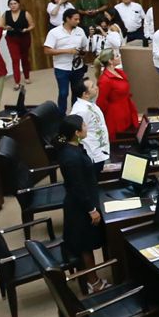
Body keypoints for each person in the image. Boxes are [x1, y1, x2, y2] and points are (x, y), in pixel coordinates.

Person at [56, 114, 104, 270]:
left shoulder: (72, 147)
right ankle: (93, 282)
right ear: (77, 133)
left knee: (86, 243)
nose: (86, 127)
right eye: (83, 125)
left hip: (81, 201)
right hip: (79, 208)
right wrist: (91, 210)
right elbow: (78, 187)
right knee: (85, 245)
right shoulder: (71, 157)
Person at [43, 7, 89, 112]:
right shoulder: (54, 32)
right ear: (67, 19)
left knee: (77, 92)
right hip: (61, 67)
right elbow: (47, 50)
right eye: (75, 19)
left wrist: (82, 53)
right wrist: (67, 51)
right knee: (63, 93)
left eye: (79, 19)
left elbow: (85, 47)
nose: (78, 21)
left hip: (78, 67)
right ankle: (61, 116)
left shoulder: (80, 31)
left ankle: (75, 113)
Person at [95, 47, 140, 139]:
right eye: (116, 56)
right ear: (110, 61)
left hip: (126, 108)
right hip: (115, 115)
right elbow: (101, 102)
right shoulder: (105, 80)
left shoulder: (119, 72)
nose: (119, 56)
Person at [70, 74, 112, 166]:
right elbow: (73, 135)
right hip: (93, 154)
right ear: (85, 94)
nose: (96, 88)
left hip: (100, 149)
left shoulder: (89, 102)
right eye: (93, 87)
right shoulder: (80, 111)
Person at [0, 0, 35, 91]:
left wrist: (26, 29)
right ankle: (17, 82)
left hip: (24, 37)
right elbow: (1, 25)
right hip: (11, 38)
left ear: (19, 4)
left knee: (24, 58)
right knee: (15, 59)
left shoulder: (25, 13)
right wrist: (5, 27)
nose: (13, 5)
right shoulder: (6, 14)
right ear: (8, 6)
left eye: (15, 3)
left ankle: (27, 76)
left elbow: (32, 25)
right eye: (11, 4)